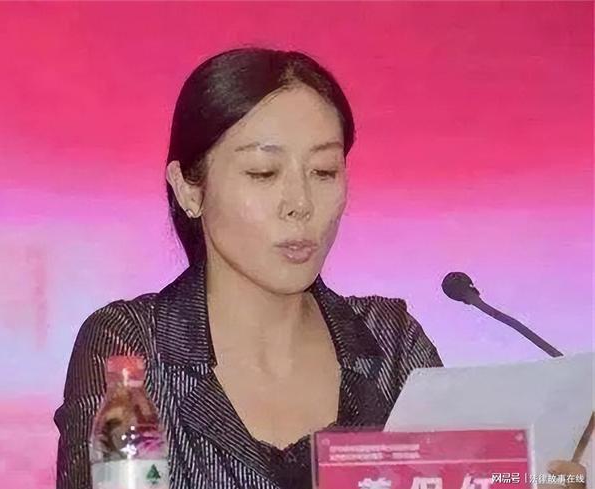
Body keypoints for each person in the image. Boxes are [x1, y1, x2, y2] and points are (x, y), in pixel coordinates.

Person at [53, 47, 586, 489]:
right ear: (189, 189)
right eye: (263, 173)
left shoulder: (389, 343)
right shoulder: (132, 348)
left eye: (324, 171)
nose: (300, 204)